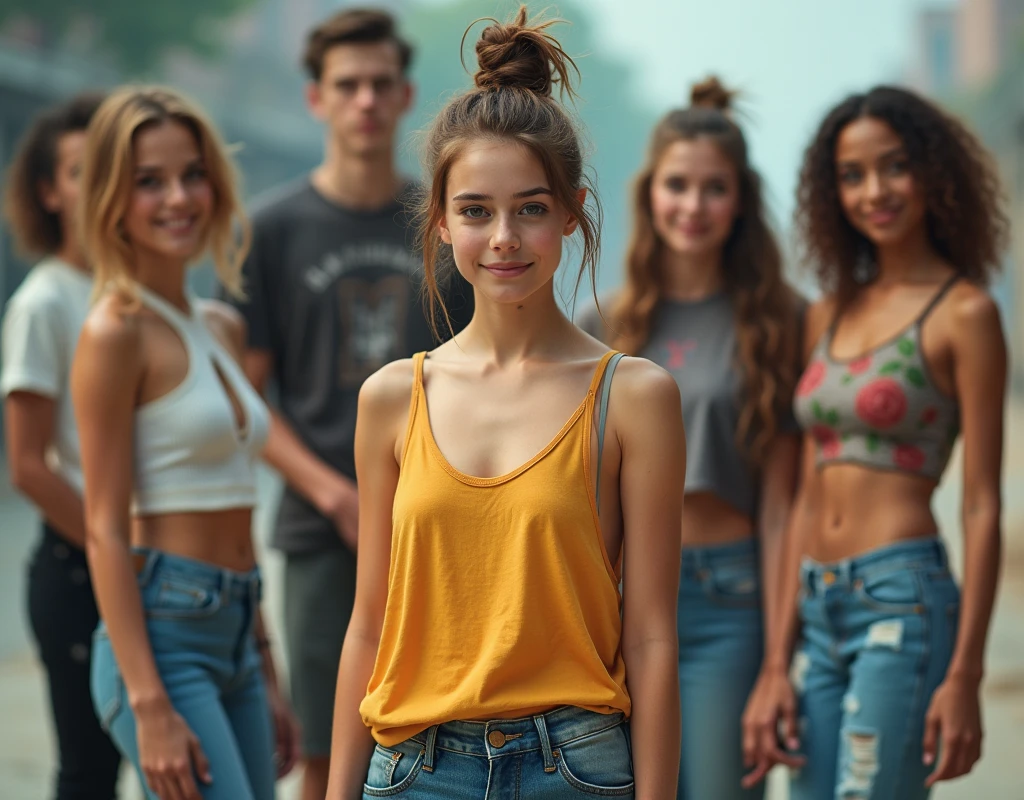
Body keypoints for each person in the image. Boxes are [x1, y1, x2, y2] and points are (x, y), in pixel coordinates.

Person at [325, 8, 685, 800]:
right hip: (413, 768)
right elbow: (369, 623)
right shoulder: (391, 398)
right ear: (442, 221)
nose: (504, 240)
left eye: (529, 208)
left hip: (577, 767)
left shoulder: (635, 396)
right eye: (476, 211)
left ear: (571, 212)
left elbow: (653, 633)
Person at [224, 10, 473, 797]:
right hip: (317, 524)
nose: (364, 100)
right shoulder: (266, 228)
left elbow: (482, 379)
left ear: (405, 97)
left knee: (441, 732)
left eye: (379, 85)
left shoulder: (446, 229)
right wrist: (332, 491)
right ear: (316, 99)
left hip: (437, 523)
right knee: (329, 747)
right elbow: (246, 397)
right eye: (346, 85)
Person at [742, 85, 1008, 799]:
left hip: (903, 601)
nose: (874, 192)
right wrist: (776, 662)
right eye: (852, 176)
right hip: (817, 604)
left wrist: (966, 675)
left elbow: (982, 505)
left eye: (894, 167)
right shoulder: (825, 313)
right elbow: (802, 492)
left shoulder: (965, 314)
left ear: (933, 174)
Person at [71, 86, 299, 800]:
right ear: (114, 195)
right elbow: (105, 528)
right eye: (150, 181)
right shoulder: (115, 333)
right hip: (163, 641)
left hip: (237, 628)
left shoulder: (219, 326)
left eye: (192, 174)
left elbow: (238, 506)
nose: (179, 198)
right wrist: (148, 705)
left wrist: (266, 665)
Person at [581, 77, 804, 799]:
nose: (694, 205)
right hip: (618, 603)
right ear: (651, 192)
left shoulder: (780, 321)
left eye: (715, 188)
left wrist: (777, 662)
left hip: (729, 600)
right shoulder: (603, 326)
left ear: (740, 200)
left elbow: (781, 505)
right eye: (678, 184)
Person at [1, 92, 122, 800]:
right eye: (81, 171)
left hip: (151, 566)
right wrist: (121, 556)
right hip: (81, 571)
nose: (99, 186)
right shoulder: (44, 302)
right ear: (48, 191)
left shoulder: (137, 291)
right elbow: (27, 465)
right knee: (90, 773)